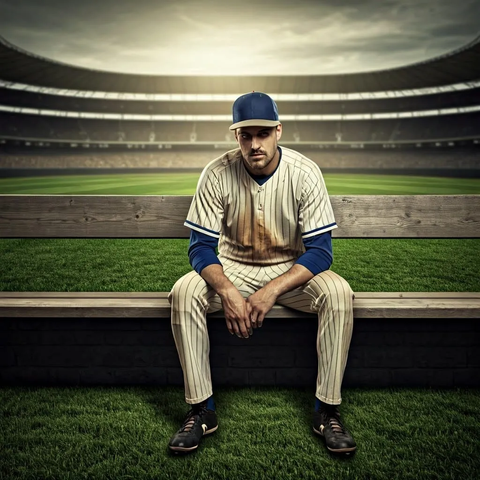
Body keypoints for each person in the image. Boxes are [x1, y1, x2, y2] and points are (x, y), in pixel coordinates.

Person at [168, 92, 356, 455]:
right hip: (232, 268)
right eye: (246, 135)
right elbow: (200, 248)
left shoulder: (304, 173)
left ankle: (326, 410)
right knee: (183, 292)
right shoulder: (217, 172)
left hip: (291, 271)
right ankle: (201, 409)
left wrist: (270, 291)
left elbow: (320, 252)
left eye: (263, 133)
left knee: (338, 293)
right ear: (235, 135)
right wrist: (227, 290)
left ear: (278, 131)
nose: (255, 144)